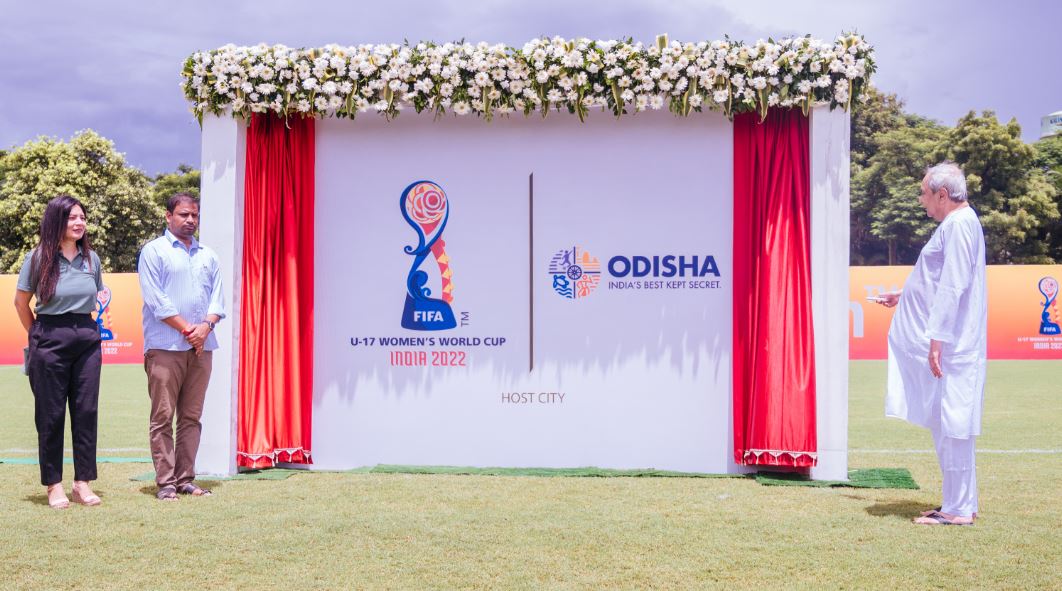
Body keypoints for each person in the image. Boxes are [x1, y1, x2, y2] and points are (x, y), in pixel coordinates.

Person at [875, 162, 987, 526]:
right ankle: (960, 502)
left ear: (942, 194)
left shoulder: (958, 225)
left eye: (924, 193)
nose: (921, 200)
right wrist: (904, 296)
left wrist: (937, 340)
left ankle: (957, 510)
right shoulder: (958, 224)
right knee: (948, 423)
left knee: (953, 424)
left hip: (954, 345)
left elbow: (953, 284)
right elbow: (936, 280)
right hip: (953, 342)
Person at [13, 196, 104, 509]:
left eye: (82, 217)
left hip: (87, 337)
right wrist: (38, 335)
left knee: (86, 411)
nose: (79, 223)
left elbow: (94, 297)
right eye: (72, 218)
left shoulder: (92, 259)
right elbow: (20, 303)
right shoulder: (38, 258)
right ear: (56, 221)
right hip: (49, 335)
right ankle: (53, 484)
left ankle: (83, 483)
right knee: (50, 415)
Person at [138, 193, 224, 501]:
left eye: (194, 215)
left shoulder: (208, 256)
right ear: (168, 216)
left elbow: (218, 300)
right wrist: (190, 330)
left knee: (191, 417)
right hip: (165, 347)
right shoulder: (153, 252)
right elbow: (156, 301)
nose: (190, 220)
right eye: (183, 214)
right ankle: (166, 483)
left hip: (202, 347)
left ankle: (186, 479)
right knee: (163, 417)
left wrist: (206, 327)